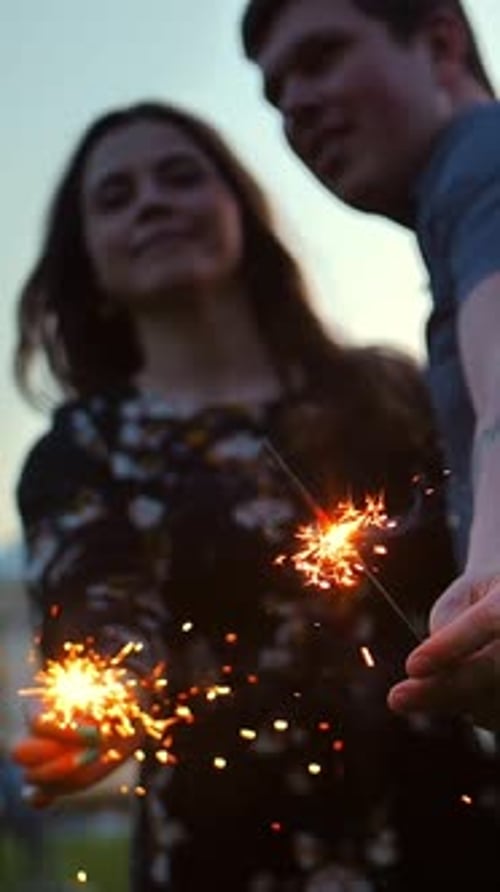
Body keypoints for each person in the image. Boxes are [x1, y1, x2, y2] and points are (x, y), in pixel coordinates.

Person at [10, 100, 500, 891]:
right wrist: (105, 693)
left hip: (443, 835)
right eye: (117, 196)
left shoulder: (384, 393)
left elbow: (466, 544)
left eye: (180, 176)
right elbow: (97, 599)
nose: (153, 202)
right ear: (87, 262)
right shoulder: (81, 451)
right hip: (224, 858)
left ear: (241, 208)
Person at [241, 0, 500, 732]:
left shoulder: (482, 160)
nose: (296, 103)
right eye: (276, 91)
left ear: (441, 42)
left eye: (320, 57)